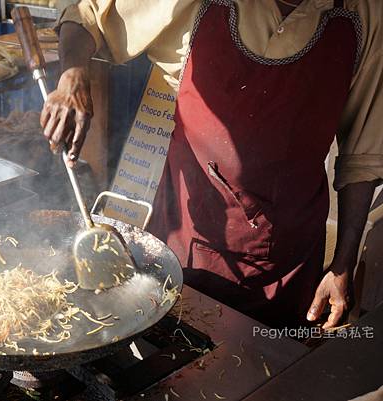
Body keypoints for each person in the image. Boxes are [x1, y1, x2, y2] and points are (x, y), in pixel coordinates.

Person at [41, 0, 383, 329]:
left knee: (269, 376)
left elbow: (363, 155)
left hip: (288, 262)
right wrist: (72, 74)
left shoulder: (362, 15)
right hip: (185, 246)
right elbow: (88, 16)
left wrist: (343, 263)